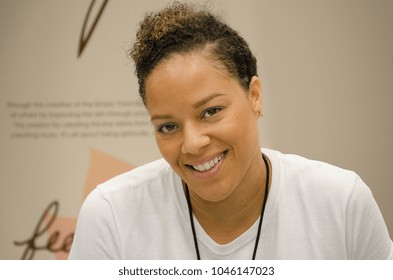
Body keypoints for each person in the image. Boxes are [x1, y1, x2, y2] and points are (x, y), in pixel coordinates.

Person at [68, 2, 393, 260]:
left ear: (254, 96)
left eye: (211, 111)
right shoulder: (112, 216)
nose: (192, 144)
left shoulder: (341, 203)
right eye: (168, 127)